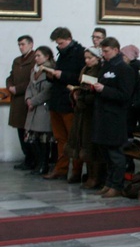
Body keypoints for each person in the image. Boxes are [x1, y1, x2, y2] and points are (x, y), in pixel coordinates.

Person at [91, 37, 136, 198]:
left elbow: (125, 95)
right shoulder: (105, 66)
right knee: (106, 153)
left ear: (116, 50)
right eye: (102, 51)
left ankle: (117, 184)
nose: (103, 54)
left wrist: (104, 89)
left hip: (115, 117)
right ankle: (109, 182)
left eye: (106, 51)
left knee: (116, 154)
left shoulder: (124, 69)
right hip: (103, 115)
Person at [45, 27, 86, 182]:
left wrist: (62, 75)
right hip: (57, 100)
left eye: (61, 43)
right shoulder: (62, 54)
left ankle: (76, 171)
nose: (59, 46)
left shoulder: (79, 54)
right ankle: (60, 169)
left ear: (69, 39)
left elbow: (81, 77)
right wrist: (51, 76)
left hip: (69, 102)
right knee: (60, 138)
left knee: (74, 138)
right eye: (57, 44)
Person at [65, 47, 105, 190]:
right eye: (86, 58)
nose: (87, 60)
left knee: (91, 145)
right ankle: (88, 174)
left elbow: (95, 93)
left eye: (90, 58)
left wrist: (81, 96)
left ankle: (95, 177)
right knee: (83, 144)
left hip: (92, 113)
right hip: (82, 111)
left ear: (98, 58)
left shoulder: (100, 71)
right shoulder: (85, 70)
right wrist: (75, 93)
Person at [24, 46, 55, 176]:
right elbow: (30, 87)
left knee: (44, 139)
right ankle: (37, 163)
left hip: (43, 107)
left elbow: (48, 90)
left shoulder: (50, 70)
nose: (36, 58)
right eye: (35, 56)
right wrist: (28, 99)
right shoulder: (34, 70)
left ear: (47, 57)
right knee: (33, 139)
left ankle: (44, 165)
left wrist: (34, 101)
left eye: (39, 56)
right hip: (33, 108)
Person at [7, 35, 36, 170]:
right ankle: (27, 158)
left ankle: (32, 159)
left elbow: (32, 80)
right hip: (17, 100)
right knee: (20, 130)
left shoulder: (34, 59)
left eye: (23, 44)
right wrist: (10, 86)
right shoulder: (17, 60)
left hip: (28, 99)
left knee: (29, 132)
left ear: (31, 45)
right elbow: (11, 76)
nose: (21, 47)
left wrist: (17, 88)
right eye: (19, 44)